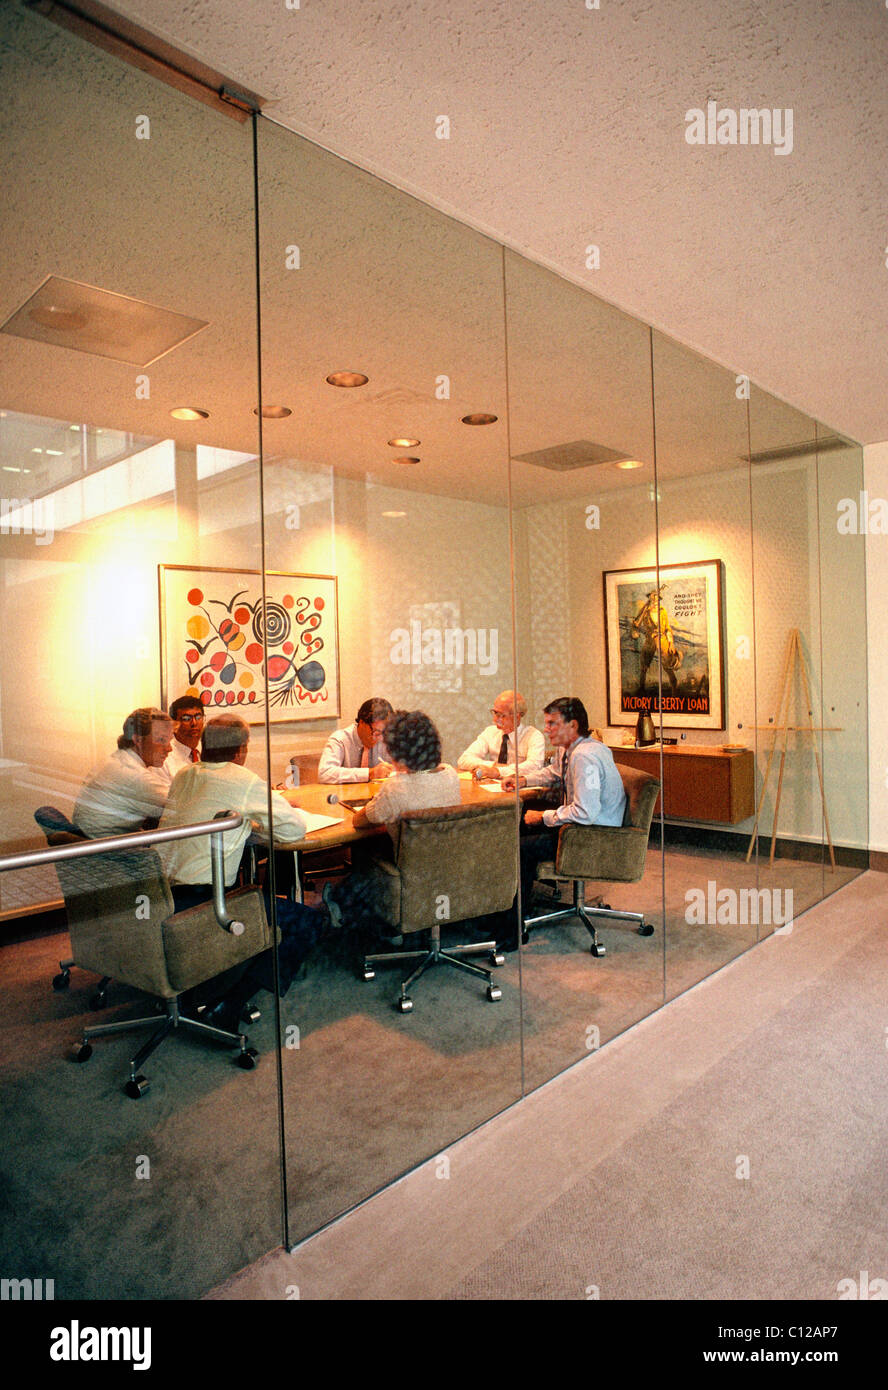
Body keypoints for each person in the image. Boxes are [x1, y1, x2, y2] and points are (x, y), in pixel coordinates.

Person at [158, 713, 328, 1028]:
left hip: (162, 896)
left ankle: (216, 978)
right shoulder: (243, 781)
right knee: (308, 922)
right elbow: (293, 831)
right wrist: (255, 818)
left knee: (257, 901)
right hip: (205, 905)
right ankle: (228, 1003)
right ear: (240, 752)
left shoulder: (183, 775)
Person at [322, 709, 460, 942]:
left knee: (364, 849)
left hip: (407, 871)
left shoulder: (396, 787)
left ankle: (356, 912)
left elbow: (360, 821)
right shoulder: (450, 774)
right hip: (446, 865)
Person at [499, 696, 626, 947]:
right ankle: (507, 910)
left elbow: (585, 812)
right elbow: (556, 773)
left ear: (573, 725)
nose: (546, 730)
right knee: (516, 829)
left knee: (518, 847)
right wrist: (524, 780)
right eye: (546, 723)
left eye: (552, 724)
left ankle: (510, 930)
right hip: (581, 826)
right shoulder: (572, 749)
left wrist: (544, 817)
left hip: (593, 834)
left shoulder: (585, 757)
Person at [73, 707, 173, 838]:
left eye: (169, 740)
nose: (169, 748)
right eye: (161, 740)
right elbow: (181, 810)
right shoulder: (135, 775)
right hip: (109, 853)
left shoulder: (118, 760)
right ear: (138, 740)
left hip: (94, 842)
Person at [457, 690, 546, 780]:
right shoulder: (490, 732)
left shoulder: (534, 736)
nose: (496, 719)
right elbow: (463, 760)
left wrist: (498, 771)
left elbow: (535, 767)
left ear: (517, 717)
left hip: (518, 788)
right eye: (495, 713)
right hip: (492, 786)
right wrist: (493, 766)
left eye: (502, 715)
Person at [317, 697, 394, 783]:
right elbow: (324, 773)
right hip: (346, 795)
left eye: (383, 732)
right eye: (376, 731)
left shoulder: (384, 739)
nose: (379, 738)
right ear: (361, 722)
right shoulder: (340, 739)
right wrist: (369, 773)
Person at [162, 695, 205, 780]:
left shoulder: (207, 749)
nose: (194, 723)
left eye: (198, 717)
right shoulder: (164, 758)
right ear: (174, 724)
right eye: (186, 719)